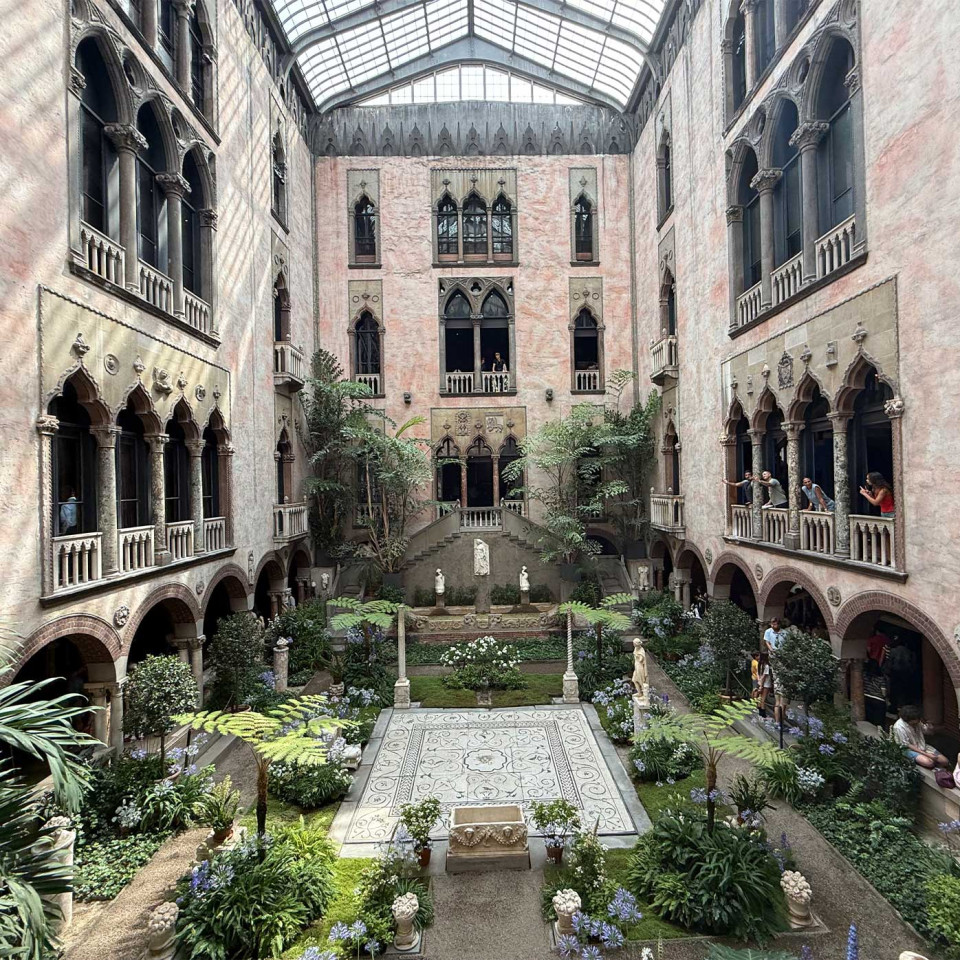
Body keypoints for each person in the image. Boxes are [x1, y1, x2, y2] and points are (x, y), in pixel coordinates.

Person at [892, 705, 949, 769]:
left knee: (945, 761)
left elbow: (926, 731)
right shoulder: (899, 727)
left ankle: (933, 764)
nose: (918, 722)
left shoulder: (917, 722)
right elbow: (907, 745)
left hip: (921, 745)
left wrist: (930, 728)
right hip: (908, 750)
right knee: (929, 763)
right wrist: (927, 755)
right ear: (909, 720)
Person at [753, 650, 772, 718]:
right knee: (763, 698)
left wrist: (759, 681)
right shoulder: (766, 666)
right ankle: (763, 713)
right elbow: (764, 676)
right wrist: (761, 685)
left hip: (760, 682)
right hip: (765, 684)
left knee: (760, 697)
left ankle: (759, 709)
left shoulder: (760, 664)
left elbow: (758, 673)